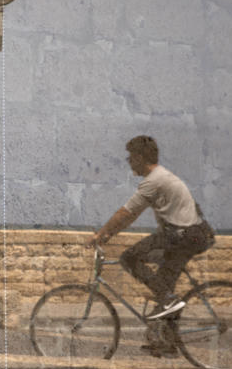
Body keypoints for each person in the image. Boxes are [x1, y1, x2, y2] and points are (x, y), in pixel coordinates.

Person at [88, 136, 215, 352]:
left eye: (131, 157)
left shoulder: (154, 180)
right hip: (192, 236)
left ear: (139, 157)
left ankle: (168, 300)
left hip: (180, 236)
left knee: (129, 258)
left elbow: (127, 212)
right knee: (164, 288)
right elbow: (130, 217)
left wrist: (101, 234)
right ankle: (168, 343)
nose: (128, 162)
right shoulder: (163, 176)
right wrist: (109, 235)